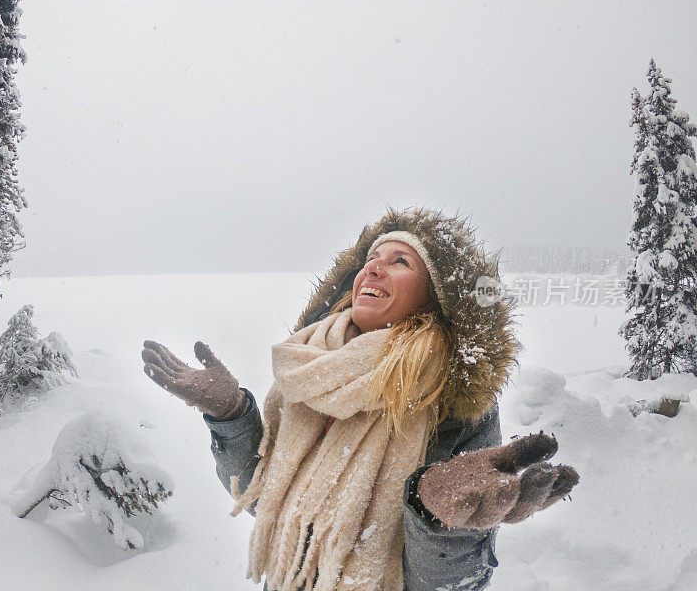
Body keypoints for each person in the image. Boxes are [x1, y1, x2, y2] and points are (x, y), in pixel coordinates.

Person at [142, 206, 579, 591]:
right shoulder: (315, 370)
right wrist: (232, 416)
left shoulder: (451, 403)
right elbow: (267, 502)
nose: (373, 268)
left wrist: (439, 521)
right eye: (370, 258)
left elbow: (449, 585)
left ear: (436, 295)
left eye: (399, 260)